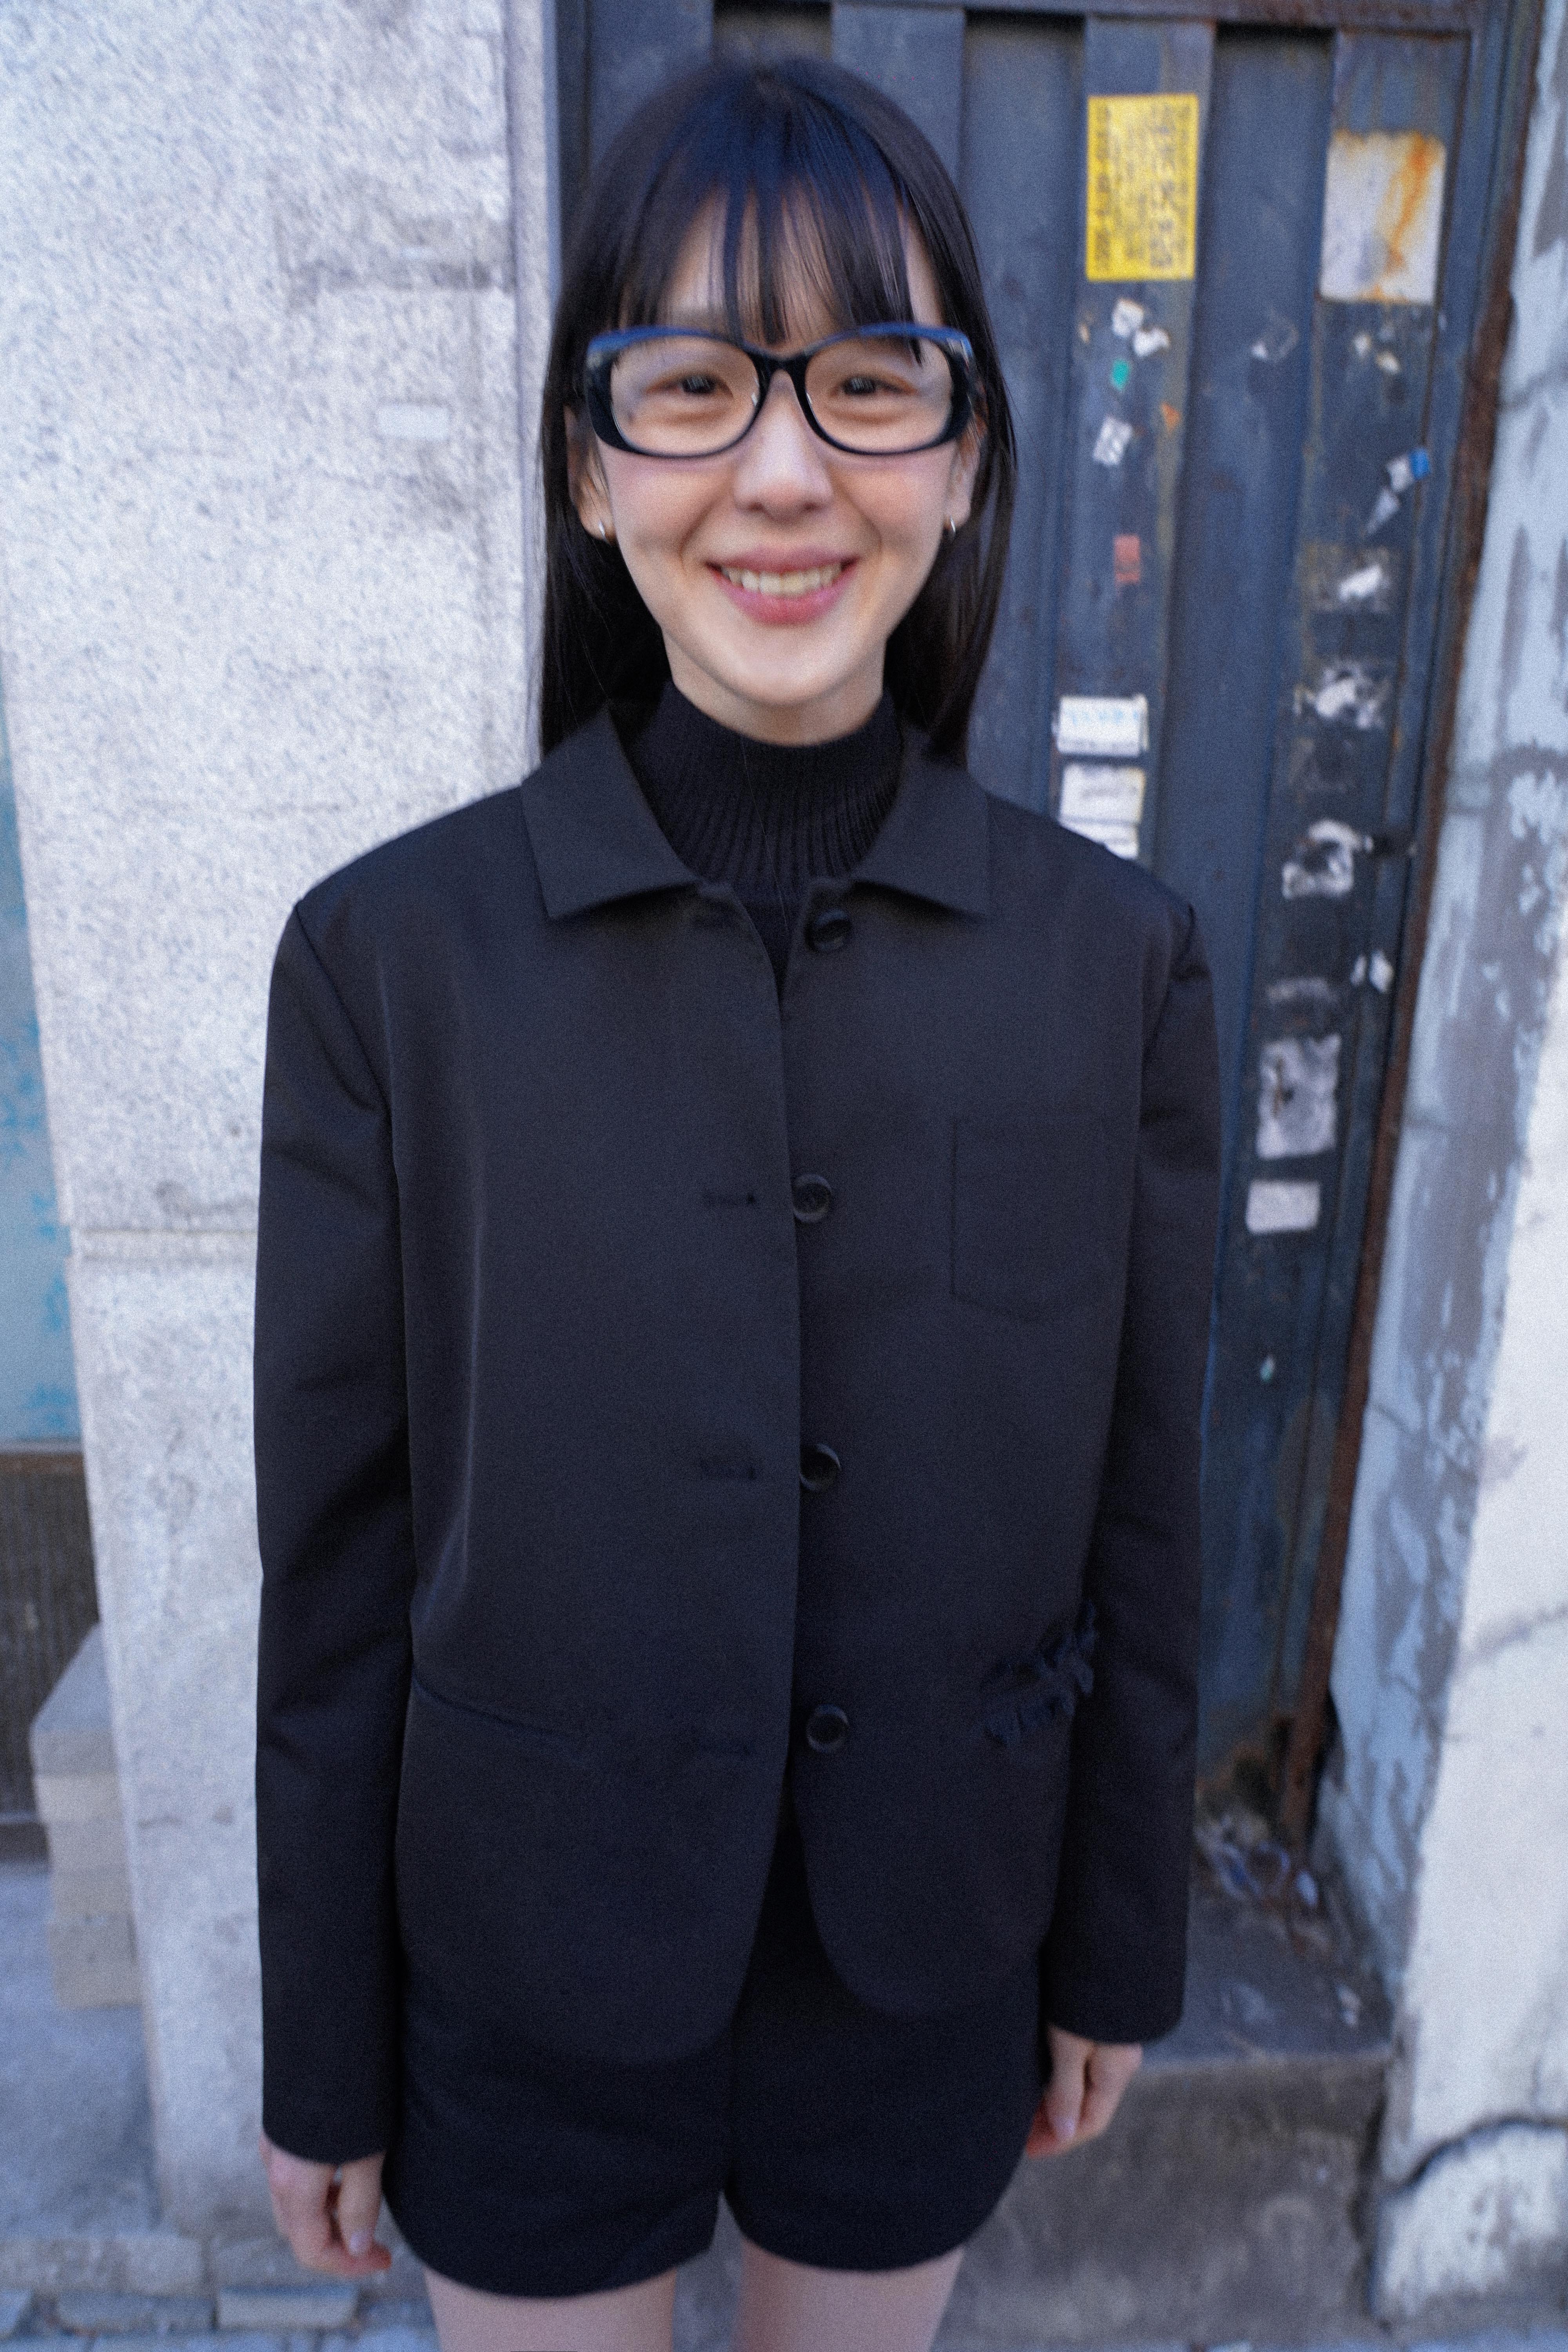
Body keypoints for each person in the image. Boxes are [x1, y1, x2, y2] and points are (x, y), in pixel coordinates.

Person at [252, 53, 1221, 2352]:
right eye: (692, 385)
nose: (785, 471)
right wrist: (323, 2047)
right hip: (522, 1961)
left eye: (870, 383)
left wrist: (1118, 1942)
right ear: (592, 469)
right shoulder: (393, 961)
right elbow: (342, 1559)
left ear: (965, 456)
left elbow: (1140, 1506)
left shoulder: (1114, 964)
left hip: (927, 1960)